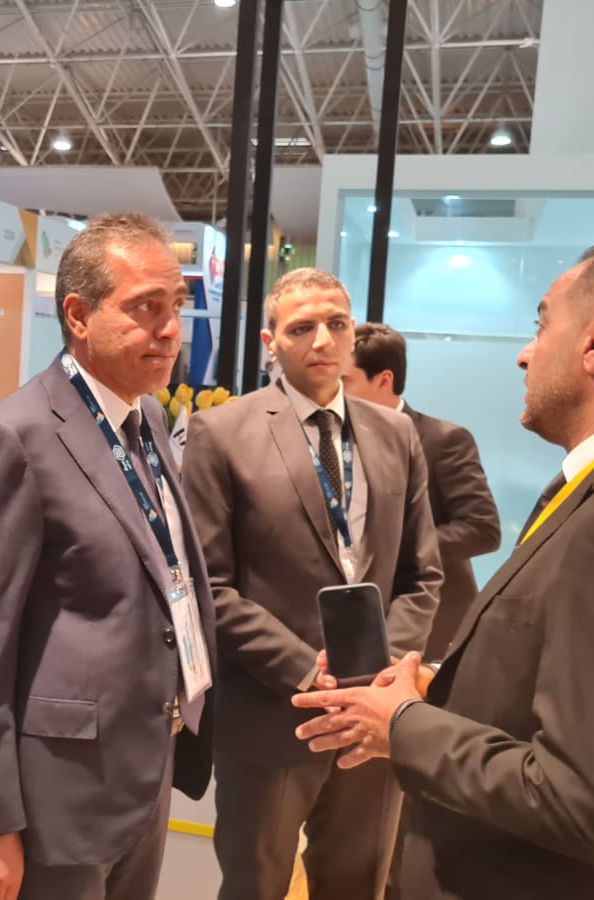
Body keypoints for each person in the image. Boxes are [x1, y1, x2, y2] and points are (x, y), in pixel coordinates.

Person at [295, 234, 594, 900]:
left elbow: (587, 803)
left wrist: (403, 726)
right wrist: (432, 689)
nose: (525, 353)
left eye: (541, 325)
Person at [0, 213, 216, 900]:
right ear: (78, 315)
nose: (170, 329)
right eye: (145, 307)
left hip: (145, 761)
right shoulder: (15, 437)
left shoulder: (149, 417)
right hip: (59, 792)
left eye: (175, 306)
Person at [181, 268, 443, 900]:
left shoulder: (396, 433)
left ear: (354, 334)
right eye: (301, 328)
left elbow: (422, 573)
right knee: (256, 885)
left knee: (358, 882)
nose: (322, 340)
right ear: (270, 341)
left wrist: (381, 672)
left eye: (336, 324)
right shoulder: (223, 433)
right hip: (275, 713)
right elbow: (210, 585)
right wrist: (307, 672)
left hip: (375, 715)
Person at [343, 322, 501, 658]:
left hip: (430, 627)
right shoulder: (329, 440)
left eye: (344, 381)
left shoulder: (444, 440)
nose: (333, 392)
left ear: (384, 380)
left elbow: (482, 530)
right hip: (350, 620)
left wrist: (395, 546)